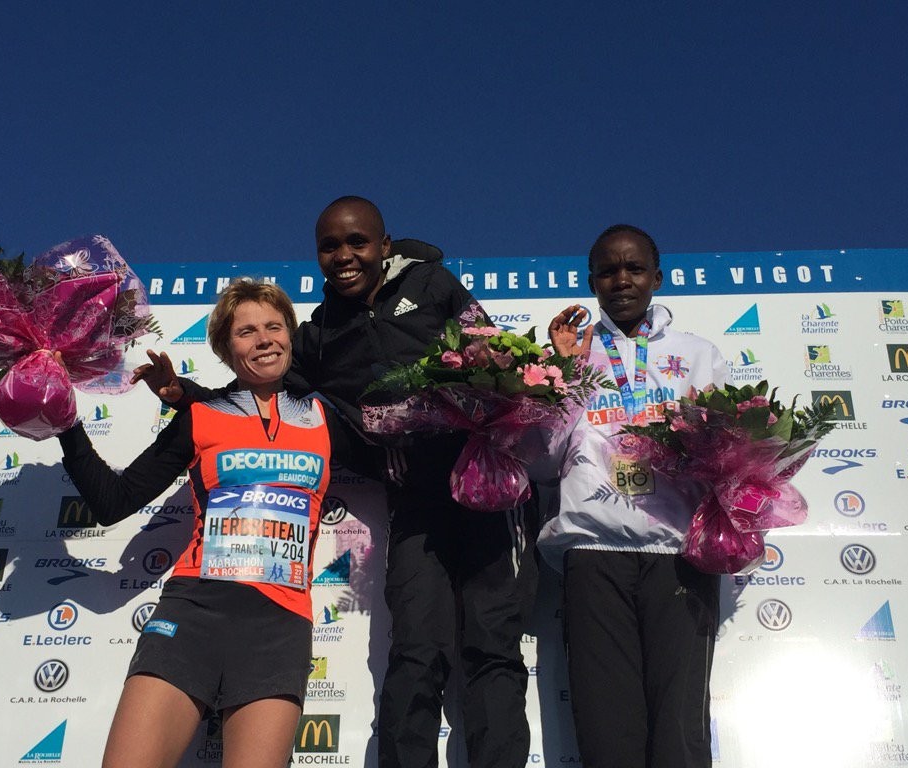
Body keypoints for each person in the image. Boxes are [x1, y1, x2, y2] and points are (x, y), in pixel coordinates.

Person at [139, 196, 537, 768]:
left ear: (384, 244)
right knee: (418, 650)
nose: (345, 256)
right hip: (414, 505)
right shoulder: (319, 333)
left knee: (493, 646)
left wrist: (531, 380)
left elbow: (490, 354)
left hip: (482, 490)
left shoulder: (433, 285)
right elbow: (260, 395)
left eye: (357, 242)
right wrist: (188, 398)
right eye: (330, 246)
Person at [56, 281, 349, 768]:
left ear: (291, 337)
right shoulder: (200, 416)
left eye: (274, 327)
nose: (264, 340)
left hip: (278, 626)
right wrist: (66, 424)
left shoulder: (322, 417)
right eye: (246, 332)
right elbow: (114, 501)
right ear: (225, 348)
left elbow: (397, 454)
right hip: (193, 613)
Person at [538, 224, 728, 768]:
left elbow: (724, 452)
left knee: (679, 729)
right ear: (591, 280)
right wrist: (566, 375)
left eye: (634, 268)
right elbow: (542, 461)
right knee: (606, 732)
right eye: (607, 269)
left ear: (657, 278)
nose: (621, 279)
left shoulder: (697, 355)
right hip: (593, 552)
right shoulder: (568, 356)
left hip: (678, 553)